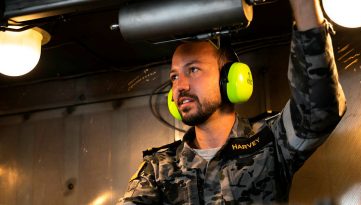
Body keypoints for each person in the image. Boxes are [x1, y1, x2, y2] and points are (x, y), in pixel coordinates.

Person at [118, 0, 347, 204]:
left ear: (230, 80)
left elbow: (319, 109)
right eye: (175, 76)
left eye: (193, 70)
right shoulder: (157, 167)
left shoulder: (270, 139)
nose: (180, 86)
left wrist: (305, 4)